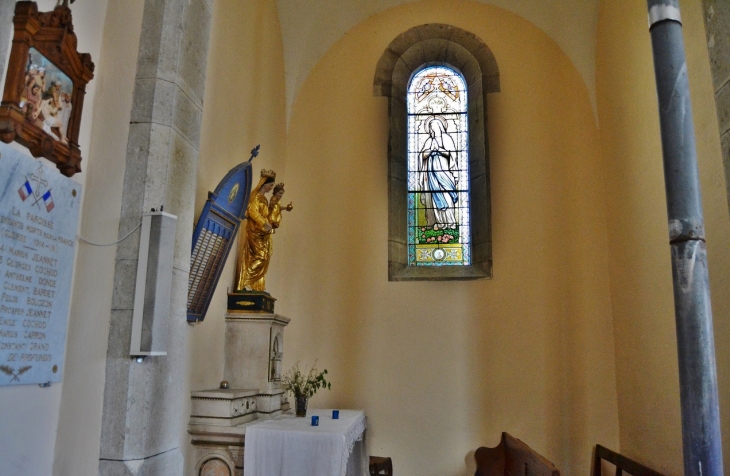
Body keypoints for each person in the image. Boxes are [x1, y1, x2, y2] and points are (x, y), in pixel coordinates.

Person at [235, 169, 277, 292]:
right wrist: (263, 222)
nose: (270, 188)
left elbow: (267, 215)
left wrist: (272, 208)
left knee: (265, 257)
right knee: (260, 256)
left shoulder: (264, 199)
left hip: (263, 232)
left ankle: (256, 286)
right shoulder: (256, 197)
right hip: (255, 231)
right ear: (264, 184)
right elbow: (253, 212)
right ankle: (246, 282)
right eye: (270, 185)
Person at [419, 117, 459, 230]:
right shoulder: (429, 141)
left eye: (434, 127)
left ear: (439, 127)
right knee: (435, 198)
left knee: (447, 196)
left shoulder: (447, 139)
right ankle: (440, 223)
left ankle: (450, 222)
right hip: (432, 174)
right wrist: (430, 151)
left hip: (445, 172)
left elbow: (453, 155)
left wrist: (440, 150)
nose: (432, 129)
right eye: (431, 127)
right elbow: (422, 156)